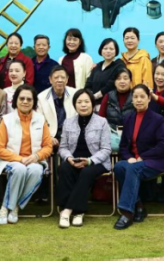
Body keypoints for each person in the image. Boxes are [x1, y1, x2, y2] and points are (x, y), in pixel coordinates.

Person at [113, 84, 164, 230]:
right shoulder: (128, 118)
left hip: (155, 161)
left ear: (149, 98)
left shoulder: (157, 119)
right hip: (134, 161)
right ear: (132, 100)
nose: (139, 100)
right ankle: (139, 206)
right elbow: (123, 146)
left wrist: (143, 157)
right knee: (119, 166)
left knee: (133, 169)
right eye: (135, 97)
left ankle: (127, 213)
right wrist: (129, 157)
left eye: (142, 97)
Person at [0, 85, 53, 225]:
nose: (25, 101)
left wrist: (36, 156)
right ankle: (5, 208)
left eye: (29, 99)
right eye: (22, 98)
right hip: (10, 160)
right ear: (16, 100)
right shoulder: (7, 119)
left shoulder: (41, 119)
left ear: (34, 102)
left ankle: (13, 207)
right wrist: (20, 159)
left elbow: (48, 146)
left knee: (36, 170)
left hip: (34, 160)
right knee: (19, 169)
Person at [57, 89, 112, 228]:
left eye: (87, 101)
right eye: (79, 102)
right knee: (63, 168)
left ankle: (70, 211)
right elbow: (62, 147)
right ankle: (73, 210)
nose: (83, 105)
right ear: (75, 105)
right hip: (74, 160)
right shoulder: (68, 122)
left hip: (96, 162)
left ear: (92, 104)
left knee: (86, 172)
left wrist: (90, 161)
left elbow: (106, 149)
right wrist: (69, 158)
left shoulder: (102, 122)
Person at [38, 66, 75, 146]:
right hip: (51, 135)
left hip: (72, 135)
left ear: (67, 79)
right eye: (56, 77)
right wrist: (48, 137)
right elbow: (39, 122)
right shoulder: (41, 97)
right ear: (50, 79)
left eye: (63, 77)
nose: (60, 80)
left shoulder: (75, 94)